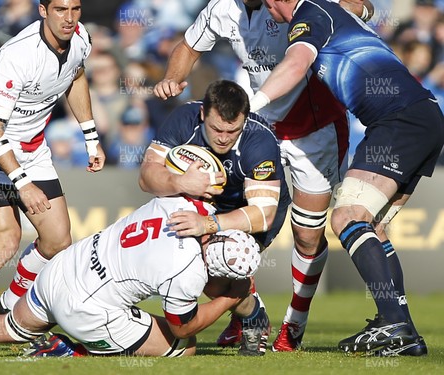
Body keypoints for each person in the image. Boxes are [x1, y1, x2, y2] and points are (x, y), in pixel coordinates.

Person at [152, 0, 373, 353]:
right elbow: (189, 46)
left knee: (306, 235)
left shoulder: (298, 5)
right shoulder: (222, 8)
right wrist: (172, 78)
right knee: (229, 220)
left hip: (314, 129)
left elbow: (361, 8)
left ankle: (294, 325)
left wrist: (357, 9)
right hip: (258, 125)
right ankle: (248, 314)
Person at [249, 0, 444, 356]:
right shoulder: (328, 9)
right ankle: (406, 335)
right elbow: (361, 7)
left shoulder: (309, 15)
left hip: (398, 121)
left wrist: (252, 102)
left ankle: (393, 322)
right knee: (375, 227)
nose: (266, 12)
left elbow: (295, 63)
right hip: (424, 116)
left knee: (347, 216)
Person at [0, 194, 260, 358]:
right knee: (182, 348)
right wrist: (226, 300)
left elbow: (157, 182)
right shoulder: (188, 271)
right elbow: (182, 324)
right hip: (87, 308)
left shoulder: (176, 205)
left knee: (6, 327)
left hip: (65, 267)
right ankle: (68, 348)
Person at [0, 0, 105, 336]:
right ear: (42, 10)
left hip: (33, 148)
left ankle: (11, 300)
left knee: (58, 240)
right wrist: (22, 183)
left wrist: (91, 137)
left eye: (75, 9)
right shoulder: (17, 55)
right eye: (60, 9)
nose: (69, 18)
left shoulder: (81, 39)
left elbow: (75, 76)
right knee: (5, 241)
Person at [140, 80, 291, 356]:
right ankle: (250, 312)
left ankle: (251, 316)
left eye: (232, 131)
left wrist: (208, 225)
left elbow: (262, 214)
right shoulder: (184, 119)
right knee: (194, 269)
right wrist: (182, 182)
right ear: (202, 115)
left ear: (244, 121)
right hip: (200, 199)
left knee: (221, 259)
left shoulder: (259, 140)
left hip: (250, 207)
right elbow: (147, 176)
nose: (223, 137)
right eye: (216, 129)